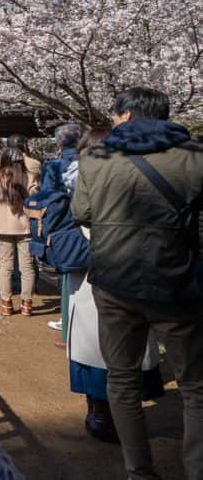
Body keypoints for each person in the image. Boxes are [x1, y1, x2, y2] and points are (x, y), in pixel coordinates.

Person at [73, 87, 203, 480]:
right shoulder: (194, 156)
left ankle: (139, 471)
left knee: (122, 378)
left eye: (114, 115)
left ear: (127, 115)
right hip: (176, 282)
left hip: (114, 282)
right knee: (196, 385)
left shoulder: (95, 157)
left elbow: (82, 211)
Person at [63, 127, 166, 444]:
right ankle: (118, 414)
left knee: (96, 346)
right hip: (135, 271)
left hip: (95, 269)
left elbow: (74, 218)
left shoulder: (77, 178)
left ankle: (101, 414)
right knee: (129, 346)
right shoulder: (141, 177)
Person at [42, 123, 84, 340]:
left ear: (59, 143)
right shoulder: (92, 161)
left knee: (69, 274)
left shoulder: (54, 166)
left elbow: (51, 201)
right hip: (92, 225)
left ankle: (67, 322)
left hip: (65, 225)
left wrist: (47, 230)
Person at [0, 148, 37, 316]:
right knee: (27, 267)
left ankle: (6, 304)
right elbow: (35, 200)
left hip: (1, 227)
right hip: (24, 226)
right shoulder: (29, 176)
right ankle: (27, 305)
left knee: (5, 266)